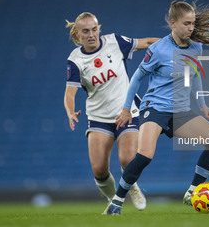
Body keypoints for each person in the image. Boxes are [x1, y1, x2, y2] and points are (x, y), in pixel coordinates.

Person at [104, 0, 209, 215]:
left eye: (193, 23)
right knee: (145, 156)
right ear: (173, 23)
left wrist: (203, 105)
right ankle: (116, 202)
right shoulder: (158, 49)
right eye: (187, 23)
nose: (191, 28)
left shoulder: (196, 46)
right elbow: (136, 78)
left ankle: (193, 191)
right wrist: (125, 108)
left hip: (180, 110)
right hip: (155, 108)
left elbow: (195, 73)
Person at [63, 12, 159, 212]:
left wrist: (173, 45)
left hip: (127, 111)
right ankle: (112, 199)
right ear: (78, 34)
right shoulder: (75, 59)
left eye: (95, 29)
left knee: (128, 159)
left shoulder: (114, 42)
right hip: (98, 117)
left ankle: (131, 186)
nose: (91, 34)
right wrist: (70, 112)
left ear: (99, 28)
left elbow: (147, 42)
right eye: (86, 31)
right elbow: (70, 93)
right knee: (99, 169)